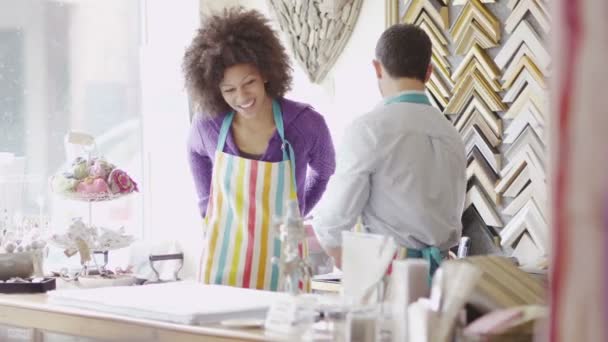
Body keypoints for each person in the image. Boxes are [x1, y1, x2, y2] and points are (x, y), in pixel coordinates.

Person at [183, 7, 335, 291]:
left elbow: (325, 171)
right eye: (229, 90)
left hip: (284, 270)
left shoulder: (305, 124)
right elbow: (193, 152)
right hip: (222, 272)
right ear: (215, 90)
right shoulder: (208, 126)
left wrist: (298, 212)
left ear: (266, 73)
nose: (241, 97)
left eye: (248, 83)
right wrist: (207, 205)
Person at [312, 24, 466, 277]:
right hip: (443, 279)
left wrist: (356, 270)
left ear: (377, 68)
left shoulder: (368, 130)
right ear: (428, 73)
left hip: (388, 275)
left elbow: (332, 223)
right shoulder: (451, 133)